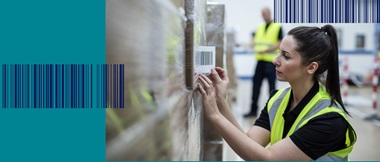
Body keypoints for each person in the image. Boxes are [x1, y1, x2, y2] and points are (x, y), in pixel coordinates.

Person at [196, 25, 357, 160]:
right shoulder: (278, 99)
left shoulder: (329, 120)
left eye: (286, 56)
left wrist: (215, 116)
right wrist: (220, 101)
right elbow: (251, 143)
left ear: (311, 67)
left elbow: (268, 158)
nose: (275, 60)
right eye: (278, 52)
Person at [245, 7, 283, 117]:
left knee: (271, 88)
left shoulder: (277, 27)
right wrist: (250, 44)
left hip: (271, 62)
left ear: (269, 13)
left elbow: (279, 43)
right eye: (262, 14)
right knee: (255, 86)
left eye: (265, 13)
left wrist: (265, 50)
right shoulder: (260, 27)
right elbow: (255, 40)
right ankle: (253, 110)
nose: (263, 16)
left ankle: (272, 111)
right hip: (260, 62)